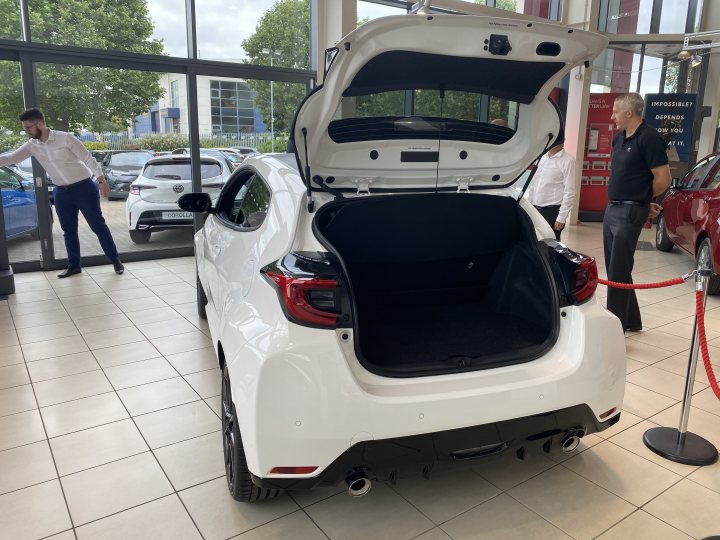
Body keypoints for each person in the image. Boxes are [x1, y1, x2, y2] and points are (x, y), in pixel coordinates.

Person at [0, 108, 124, 278]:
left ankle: (115, 260)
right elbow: (11, 158)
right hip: (62, 193)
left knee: (98, 226)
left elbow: (88, 158)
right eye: (25, 128)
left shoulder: (65, 138)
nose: (26, 131)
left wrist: (101, 180)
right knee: (69, 231)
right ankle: (74, 266)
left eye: (28, 127)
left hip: (84, 188)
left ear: (40, 124)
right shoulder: (32, 145)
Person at [604, 93, 671, 332]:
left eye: (615, 112)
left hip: (630, 212)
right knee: (616, 268)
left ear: (629, 112)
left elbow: (663, 179)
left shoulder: (650, 138)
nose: (612, 117)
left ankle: (615, 327)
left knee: (617, 270)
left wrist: (642, 201)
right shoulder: (619, 139)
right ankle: (632, 320)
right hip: (612, 208)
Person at [525, 138, 577, 241]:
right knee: (534, 242)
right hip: (535, 209)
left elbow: (570, 192)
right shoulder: (541, 158)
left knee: (551, 245)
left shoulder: (569, 161)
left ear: (562, 141)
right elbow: (534, 185)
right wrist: (529, 206)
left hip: (552, 211)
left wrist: (561, 217)